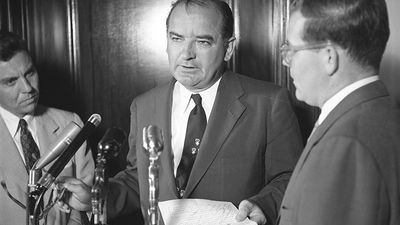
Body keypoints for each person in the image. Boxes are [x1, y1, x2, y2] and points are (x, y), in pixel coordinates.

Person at [61, 0, 303, 224]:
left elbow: (290, 178)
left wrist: (262, 205)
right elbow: (139, 180)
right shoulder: (144, 105)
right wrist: (98, 196)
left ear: (228, 48)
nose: (186, 54)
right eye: (176, 38)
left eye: (202, 41)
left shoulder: (269, 102)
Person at [277, 0, 400, 224]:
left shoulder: (344, 144)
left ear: (329, 57)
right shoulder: (380, 111)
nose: (287, 63)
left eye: (292, 50)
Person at [0, 31, 94, 225]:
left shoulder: (71, 123)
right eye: (11, 81)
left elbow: (87, 203)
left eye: (30, 73)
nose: (27, 88)